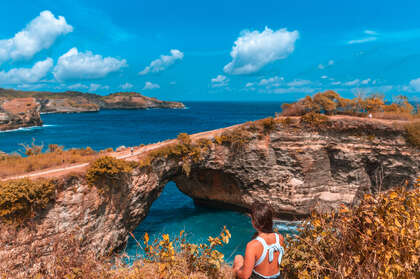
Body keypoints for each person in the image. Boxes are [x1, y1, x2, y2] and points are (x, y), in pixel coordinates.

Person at [233, 202, 285, 279]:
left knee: (238, 258)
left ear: (254, 222)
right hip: (277, 277)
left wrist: (236, 270)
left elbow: (245, 276)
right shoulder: (280, 238)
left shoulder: (252, 245)